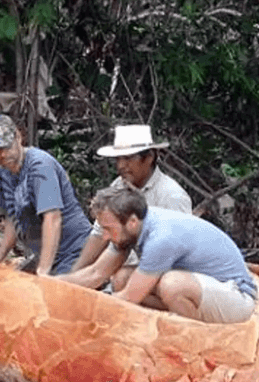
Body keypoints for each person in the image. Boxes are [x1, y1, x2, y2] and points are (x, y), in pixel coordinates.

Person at [58, 185, 257, 323]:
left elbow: (130, 298)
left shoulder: (161, 237)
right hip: (203, 290)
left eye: (109, 229)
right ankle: (165, 327)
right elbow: (95, 274)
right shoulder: (130, 229)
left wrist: (85, 310)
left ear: (132, 222)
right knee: (121, 278)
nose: (105, 237)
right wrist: (51, 284)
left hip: (236, 297)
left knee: (172, 284)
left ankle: (196, 338)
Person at [69, 124, 192, 289]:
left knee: (121, 280)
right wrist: (74, 275)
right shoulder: (118, 186)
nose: (121, 166)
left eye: (128, 158)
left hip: (168, 276)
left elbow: (177, 253)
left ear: (149, 157)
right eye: (118, 159)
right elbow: (99, 235)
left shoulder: (171, 196)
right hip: (123, 266)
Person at [0, 114, 92, 275]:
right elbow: (11, 218)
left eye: (5, 147)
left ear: (18, 137)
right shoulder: (4, 173)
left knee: (54, 294)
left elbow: (52, 217)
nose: (2, 155)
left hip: (73, 251)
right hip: (43, 255)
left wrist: (43, 270)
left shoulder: (40, 165)